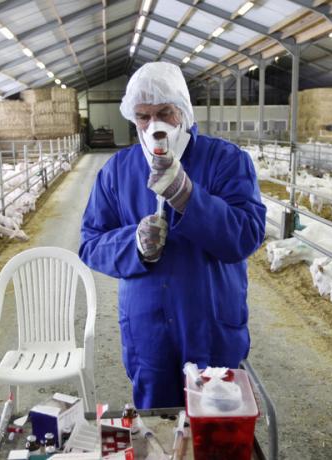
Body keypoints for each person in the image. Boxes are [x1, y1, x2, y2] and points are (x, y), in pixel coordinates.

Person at [78, 62, 266, 408]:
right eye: (143, 117)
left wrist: (188, 197)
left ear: (184, 111)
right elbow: (90, 243)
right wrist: (133, 245)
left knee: (215, 420)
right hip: (149, 332)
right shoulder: (117, 171)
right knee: (157, 427)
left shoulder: (225, 161)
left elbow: (247, 236)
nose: (154, 126)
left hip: (211, 324)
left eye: (165, 113)